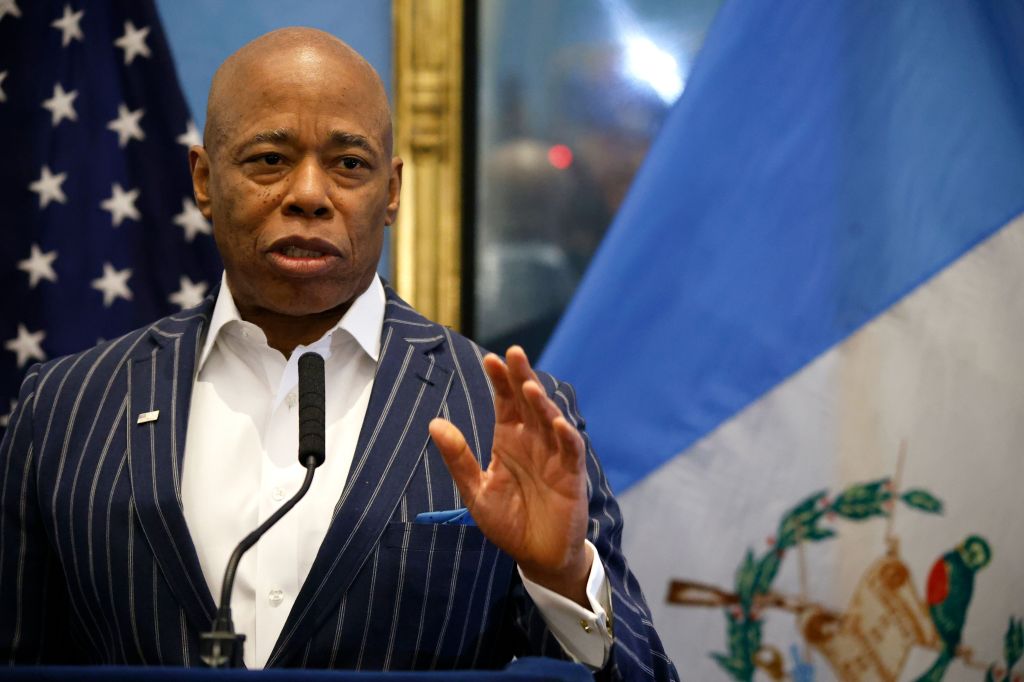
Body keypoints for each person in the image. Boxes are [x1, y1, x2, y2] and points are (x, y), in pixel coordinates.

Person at [0, 28, 677, 680]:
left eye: (350, 165)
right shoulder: (65, 409)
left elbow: (644, 675)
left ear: (391, 191)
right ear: (204, 180)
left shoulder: (506, 415)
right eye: (269, 159)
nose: (309, 195)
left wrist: (560, 578)